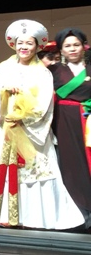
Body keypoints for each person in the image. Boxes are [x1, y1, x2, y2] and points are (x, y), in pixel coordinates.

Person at [0, 19, 84, 229]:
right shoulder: (4, 67)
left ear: (36, 46)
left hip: (30, 131)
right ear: (14, 45)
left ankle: (35, 219)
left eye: (29, 43)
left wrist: (23, 115)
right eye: (20, 43)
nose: (24, 47)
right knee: (6, 170)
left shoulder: (42, 73)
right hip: (6, 128)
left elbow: (44, 103)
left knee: (33, 171)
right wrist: (4, 91)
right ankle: (5, 216)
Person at [48, 27, 91, 229]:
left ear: (84, 47)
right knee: (69, 165)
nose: (72, 49)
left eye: (76, 45)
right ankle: (76, 215)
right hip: (64, 122)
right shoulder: (53, 71)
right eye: (68, 46)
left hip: (87, 121)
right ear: (61, 50)